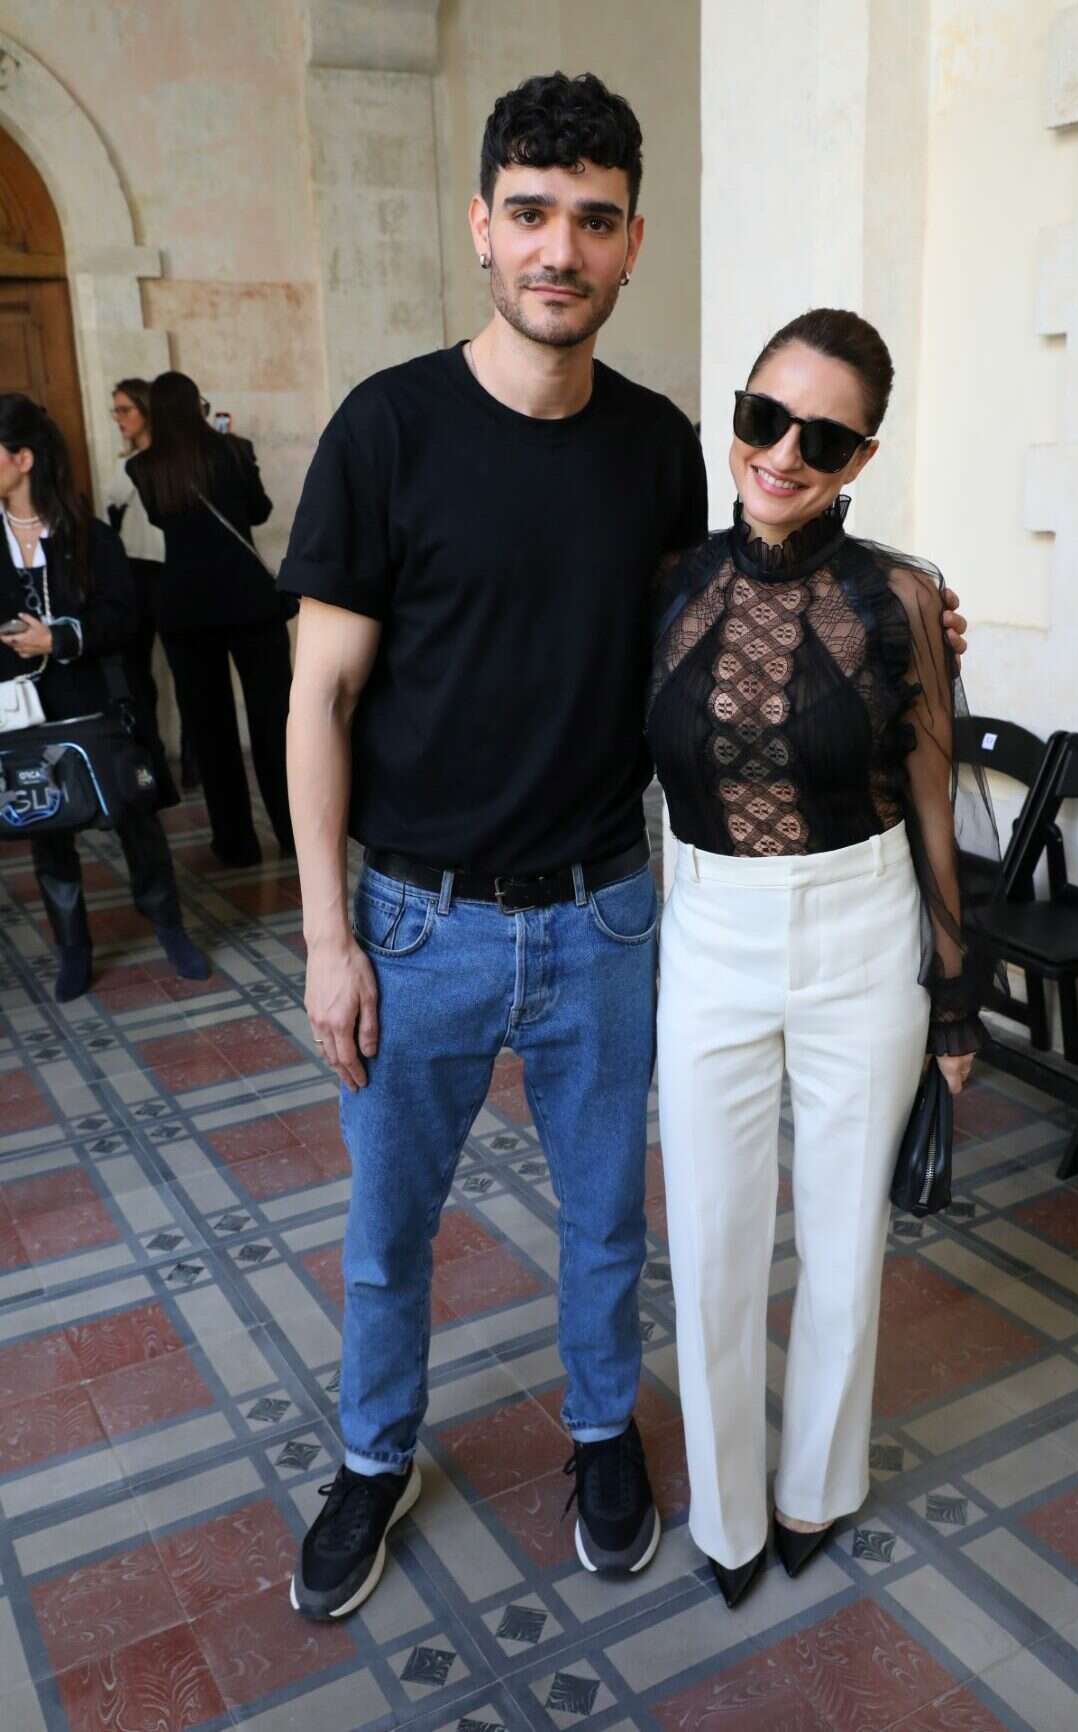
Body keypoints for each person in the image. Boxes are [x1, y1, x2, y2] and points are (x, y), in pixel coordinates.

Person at [278, 75, 970, 1623]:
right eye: (530, 214)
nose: (559, 249)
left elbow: (741, 594)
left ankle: (602, 1440)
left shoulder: (659, 447)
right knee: (388, 1233)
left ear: (631, 243)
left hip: (606, 913)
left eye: (593, 221)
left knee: (608, 1226)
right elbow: (318, 696)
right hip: (416, 918)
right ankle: (372, 1461)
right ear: (481, 224)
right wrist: (326, 936)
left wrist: (911, 610)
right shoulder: (387, 428)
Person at [648, 309, 996, 1610]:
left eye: (823, 438)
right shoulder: (665, 581)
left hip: (863, 933)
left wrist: (953, 997)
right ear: (735, 413)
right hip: (708, 933)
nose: (783, 453)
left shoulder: (899, 597)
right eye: (763, 417)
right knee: (712, 1240)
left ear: (860, 458)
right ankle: (728, 1512)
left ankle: (815, 1488)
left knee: (845, 1238)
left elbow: (933, 802)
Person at [0, 394, 209, 1001]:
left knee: (136, 820)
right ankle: (74, 949)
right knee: (46, 829)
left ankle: (169, 927)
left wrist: (59, 638)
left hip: (95, 706)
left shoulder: (89, 536)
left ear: (23, 459)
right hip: (22, 717)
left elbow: (123, 617)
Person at [128, 372, 293, 867]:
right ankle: (293, 833)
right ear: (198, 406)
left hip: (186, 607)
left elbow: (161, 518)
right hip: (250, 602)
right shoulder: (235, 450)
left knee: (210, 729)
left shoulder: (144, 467)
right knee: (276, 724)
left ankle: (236, 844)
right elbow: (260, 512)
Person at [107, 378, 198, 793]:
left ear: (147, 409)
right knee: (137, 674)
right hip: (134, 573)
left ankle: (195, 761)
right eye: (115, 410)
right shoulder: (122, 464)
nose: (119, 418)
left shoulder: (172, 461)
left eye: (125, 409)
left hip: (172, 569)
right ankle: (153, 764)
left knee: (188, 672)